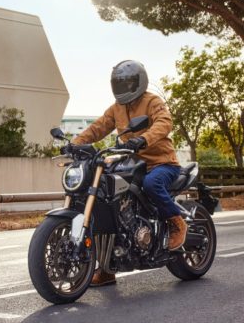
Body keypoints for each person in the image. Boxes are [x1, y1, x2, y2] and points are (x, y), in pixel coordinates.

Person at [70, 60, 187, 287]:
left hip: (161, 164)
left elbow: (164, 123)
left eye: (127, 83)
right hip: (132, 165)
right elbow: (98, 128)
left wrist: (143, 139)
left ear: (139, 82)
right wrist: (75, 144)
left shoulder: (152, 101)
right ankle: (107, 267)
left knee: (152, 184)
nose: (123, 87)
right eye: (119, 83)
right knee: (107, 200)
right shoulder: (116, 108)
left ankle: (177, 223)